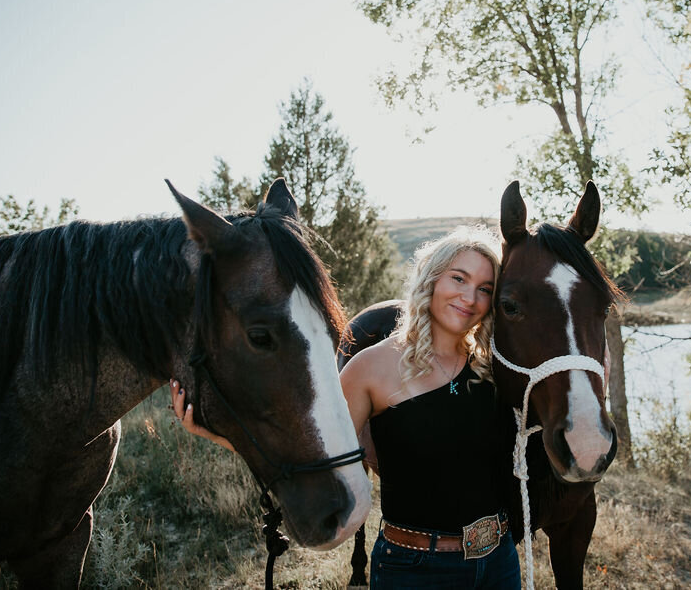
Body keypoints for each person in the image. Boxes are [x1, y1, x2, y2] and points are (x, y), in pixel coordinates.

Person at [172, 226, 520, 589]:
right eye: (459, 278)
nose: (470, 297)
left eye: (485, 289)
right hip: (416, 569)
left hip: (498, 561)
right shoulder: (371, 367)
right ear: (431, 279)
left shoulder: (492, 367)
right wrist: (218, 434)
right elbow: (312, 450)